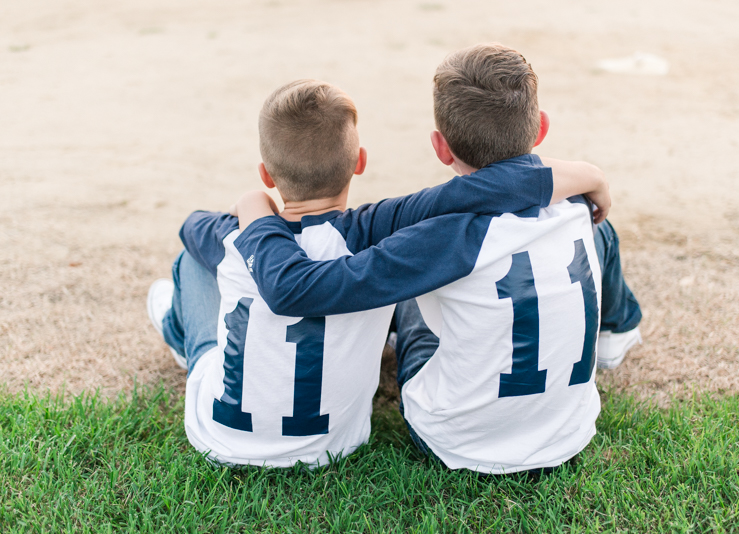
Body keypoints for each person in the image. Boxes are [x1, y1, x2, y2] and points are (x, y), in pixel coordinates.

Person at [147, 78, 612, 468]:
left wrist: (251, 209)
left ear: (268, 174)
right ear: (360, 162)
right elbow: (477, 189)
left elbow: (191, 227)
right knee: (402, 281)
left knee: (194, 263)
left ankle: (179, 333)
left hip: (220, 437)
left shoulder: (232, 234)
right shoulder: (375, 229)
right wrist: (589, 175)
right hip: (337, 442)